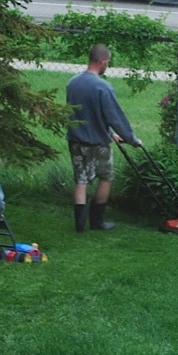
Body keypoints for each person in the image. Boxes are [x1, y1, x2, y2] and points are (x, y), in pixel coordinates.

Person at [66, 44, 142, 233]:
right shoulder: (103, 87)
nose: (107, 65)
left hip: (75, 140)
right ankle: (97, 221)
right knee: (105, 177)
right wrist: (131, 139)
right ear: (102, 62)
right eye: (107, 62)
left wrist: (111, 134)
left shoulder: (72, 83)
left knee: (81, 180)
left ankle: (80, 225)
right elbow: (114, 116)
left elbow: (85, 114)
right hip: (97, 143)